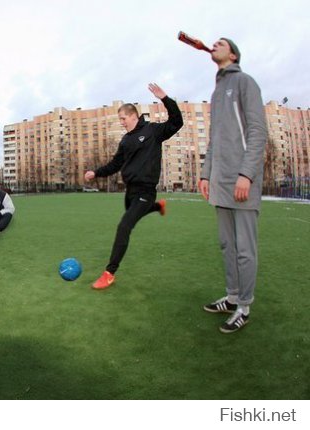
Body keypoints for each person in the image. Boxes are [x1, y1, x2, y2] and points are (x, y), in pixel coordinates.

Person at [84, 83, 183, 289]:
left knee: (124, 226)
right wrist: (96, 172)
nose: (121, 122)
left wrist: (165, 98)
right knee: (135, 213)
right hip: (130, 192)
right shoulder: (125, 140)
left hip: (146, 189)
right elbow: (115, 164)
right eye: (119, 119)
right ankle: (157, 206)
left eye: (123, 118)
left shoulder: (153, 131)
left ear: (133, 116)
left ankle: (109, 272)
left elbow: (177, 122)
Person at [198, 38, 267, 333]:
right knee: (227, 245)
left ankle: (244, 306)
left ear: (234, 53)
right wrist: (205, 174)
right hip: (221, 182)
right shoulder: (216, 92)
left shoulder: (245, 82)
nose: (214, 45)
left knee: (244, 249)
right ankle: (232, 296)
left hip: (242, 181)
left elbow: (258, 131)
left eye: (221, 43)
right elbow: (214, 140)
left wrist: (247, 174)